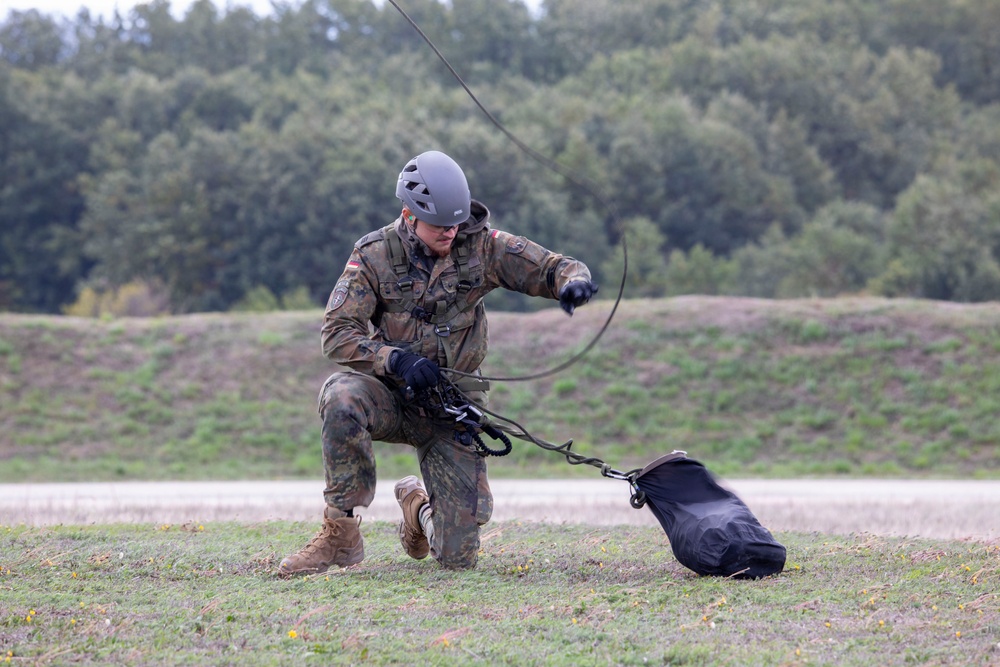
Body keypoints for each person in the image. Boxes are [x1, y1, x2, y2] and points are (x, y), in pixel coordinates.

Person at [279, 150, 598, 574]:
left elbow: (554, 266)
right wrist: (395, 361)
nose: (450, 231)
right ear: (409, 216)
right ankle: (340, 536)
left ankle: (418, 510)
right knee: (341, 396)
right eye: (439, 225)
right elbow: (337, 334)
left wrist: (572, 284)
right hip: (392, 397)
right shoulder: (373, 255)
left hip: (451, 408)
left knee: (457, 558)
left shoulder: (481, 246)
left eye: (456, 222)